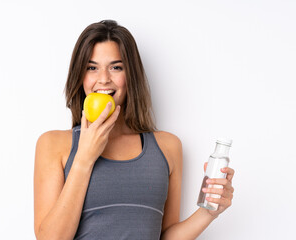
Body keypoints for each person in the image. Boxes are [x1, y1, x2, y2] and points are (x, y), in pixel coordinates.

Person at [33, 20, 235, 240]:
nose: (103, 79)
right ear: (80, 76)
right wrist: (84, 158)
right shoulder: (53, 144)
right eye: (92, 67)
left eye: (116, 67)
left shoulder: (167, 147)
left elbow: (166, 236)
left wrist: (209, 212)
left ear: (131, 75)